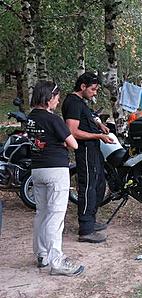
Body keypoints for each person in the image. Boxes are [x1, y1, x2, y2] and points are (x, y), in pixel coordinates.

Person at [27, 80, 84, 276]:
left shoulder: (31, 118)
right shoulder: (53, 119)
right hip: (56, 171)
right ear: (49, 98)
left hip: (37, 170)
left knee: (41, 213)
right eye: (57, 98)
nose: (58, 102)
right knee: (55, 216)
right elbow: (73, 144)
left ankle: (42, 255)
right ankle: (57, 262)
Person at [62, 72, 114, 243]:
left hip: (93, 149)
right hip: (84, 150)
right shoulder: (72, 103)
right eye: (93, 89)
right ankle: (85, 229)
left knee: (99, 184)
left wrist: (99, 125)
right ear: (82, 87)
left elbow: (89, 117)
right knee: (87, 187)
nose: (95, 92)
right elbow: (72, 132)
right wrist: (98, 136)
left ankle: (90, 221)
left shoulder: (80, 102)